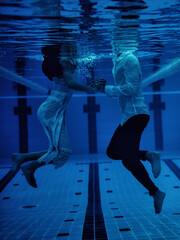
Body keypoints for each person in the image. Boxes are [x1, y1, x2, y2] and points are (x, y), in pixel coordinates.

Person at [11, 44, 98, 188]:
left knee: (60, 151)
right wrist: (90, 89)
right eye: (71, 46)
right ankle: (29, 167)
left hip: (56, 111)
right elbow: (70, 83)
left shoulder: (68, 61)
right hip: (51, 111)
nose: (75, 47)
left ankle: (22, 158)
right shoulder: (65, 61)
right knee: (63, 152)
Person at [91, 50, 165, 214]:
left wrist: (107, 88)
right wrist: (104, 89)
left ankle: (156, 192)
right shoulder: (118, 58)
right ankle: (147, 155)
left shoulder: (130, 59)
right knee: (112, 152)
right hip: (128, 117)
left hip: (136, 115)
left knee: (128, 160)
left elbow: (131, 88)